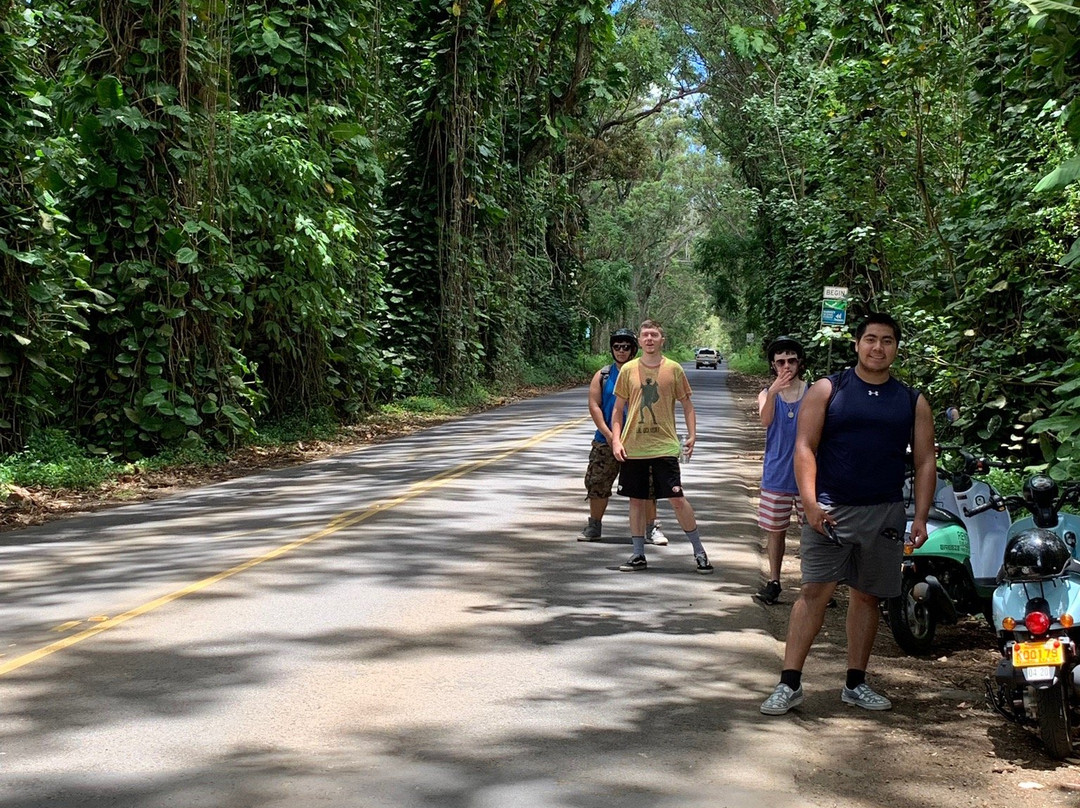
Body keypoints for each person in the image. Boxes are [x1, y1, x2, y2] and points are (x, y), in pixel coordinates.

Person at [760, 312, 935, 715]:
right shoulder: (828, 389)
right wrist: (810, 502)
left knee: (867, 596)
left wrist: (920, 517)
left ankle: (855, 682)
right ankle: (789, 683)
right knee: (813, 592)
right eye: (870, 339)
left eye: (887, 340)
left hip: (885, 511)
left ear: (896, 347)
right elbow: (805, 446)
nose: (878, 347)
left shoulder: (911, 400)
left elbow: (925, 461)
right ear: (857, 344)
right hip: (832, 510)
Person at [610, 319, 713, 574]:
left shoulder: (674, 369)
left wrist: (692, 435)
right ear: (640, 340)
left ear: (661, 339)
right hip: (633, 446)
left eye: (654, 335)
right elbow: (617, 410)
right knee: (636, 500)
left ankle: (699, 552)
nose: (649, 339)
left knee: (677, 498)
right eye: (645, 335)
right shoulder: (628, 370)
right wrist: (615, 439)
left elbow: (687, 405)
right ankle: (637, 554)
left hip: (665, 446)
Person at [579, 329, 667, 545]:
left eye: (625, 346)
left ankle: (651, 528)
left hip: (639, 441)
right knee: (598, 482)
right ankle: (594, 526)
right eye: (616, 346)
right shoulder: (603, 375)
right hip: (605, 440)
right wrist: (609, 434)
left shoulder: (643, 372)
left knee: (647, 485)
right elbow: (594, 405)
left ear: (633, 349)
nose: (621, 351)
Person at [754, 336, 808, 605]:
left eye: (791, 360)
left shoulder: (813, 392)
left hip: (809, 477)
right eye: (780, 362)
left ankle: (815, 586)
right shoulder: (766, 394)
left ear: (799, 363)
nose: (786, 366)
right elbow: (766, 421)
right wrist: (774, 391)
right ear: (773, 366)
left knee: (812, 533)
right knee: (776, 532)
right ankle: (774, 581)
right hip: (776, 474)